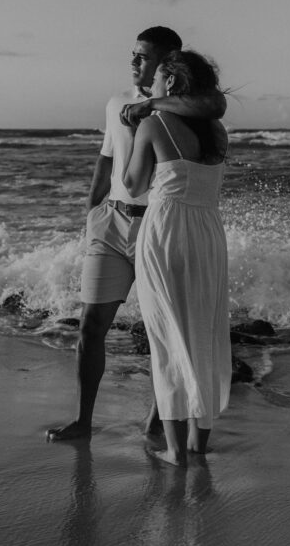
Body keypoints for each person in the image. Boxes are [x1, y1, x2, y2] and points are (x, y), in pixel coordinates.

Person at [47, 27, 226, 442]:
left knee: (163, 330)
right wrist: (92, 211)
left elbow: (215, 103)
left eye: (143, 57)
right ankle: (83, 421)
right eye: (133, 55)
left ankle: (156, 422)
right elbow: (106, 159)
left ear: (169, 63)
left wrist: (151, 106)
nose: (133, 63)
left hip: (158, 226)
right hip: (111, 222)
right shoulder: (117, 103)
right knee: (91, 325)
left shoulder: (191, 108)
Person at [122, 50, 230, 467]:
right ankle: (198, 446)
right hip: (207, 233)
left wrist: (133, 131)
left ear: (170, 82)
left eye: (159, 76)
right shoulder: (217, 130)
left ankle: (172, 449)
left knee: (166, 335)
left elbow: (133, 185)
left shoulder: (153, 123)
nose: (153, 83)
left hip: (166, 230)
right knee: (205, 333)